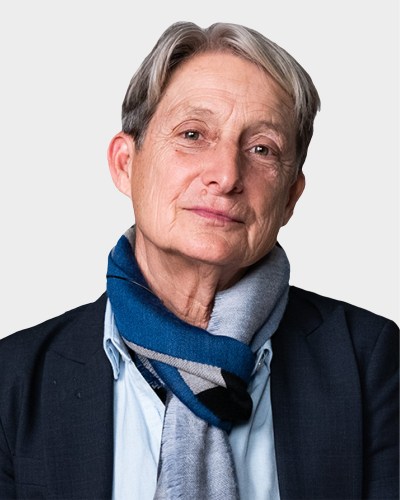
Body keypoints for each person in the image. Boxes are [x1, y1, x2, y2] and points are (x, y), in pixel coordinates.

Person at [0, 20, 398, 500]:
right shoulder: (13, 378)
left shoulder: (369, 363)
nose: (227, 175)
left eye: (260, 149)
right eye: (193, 134)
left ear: (291, 197)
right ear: (126, 164)